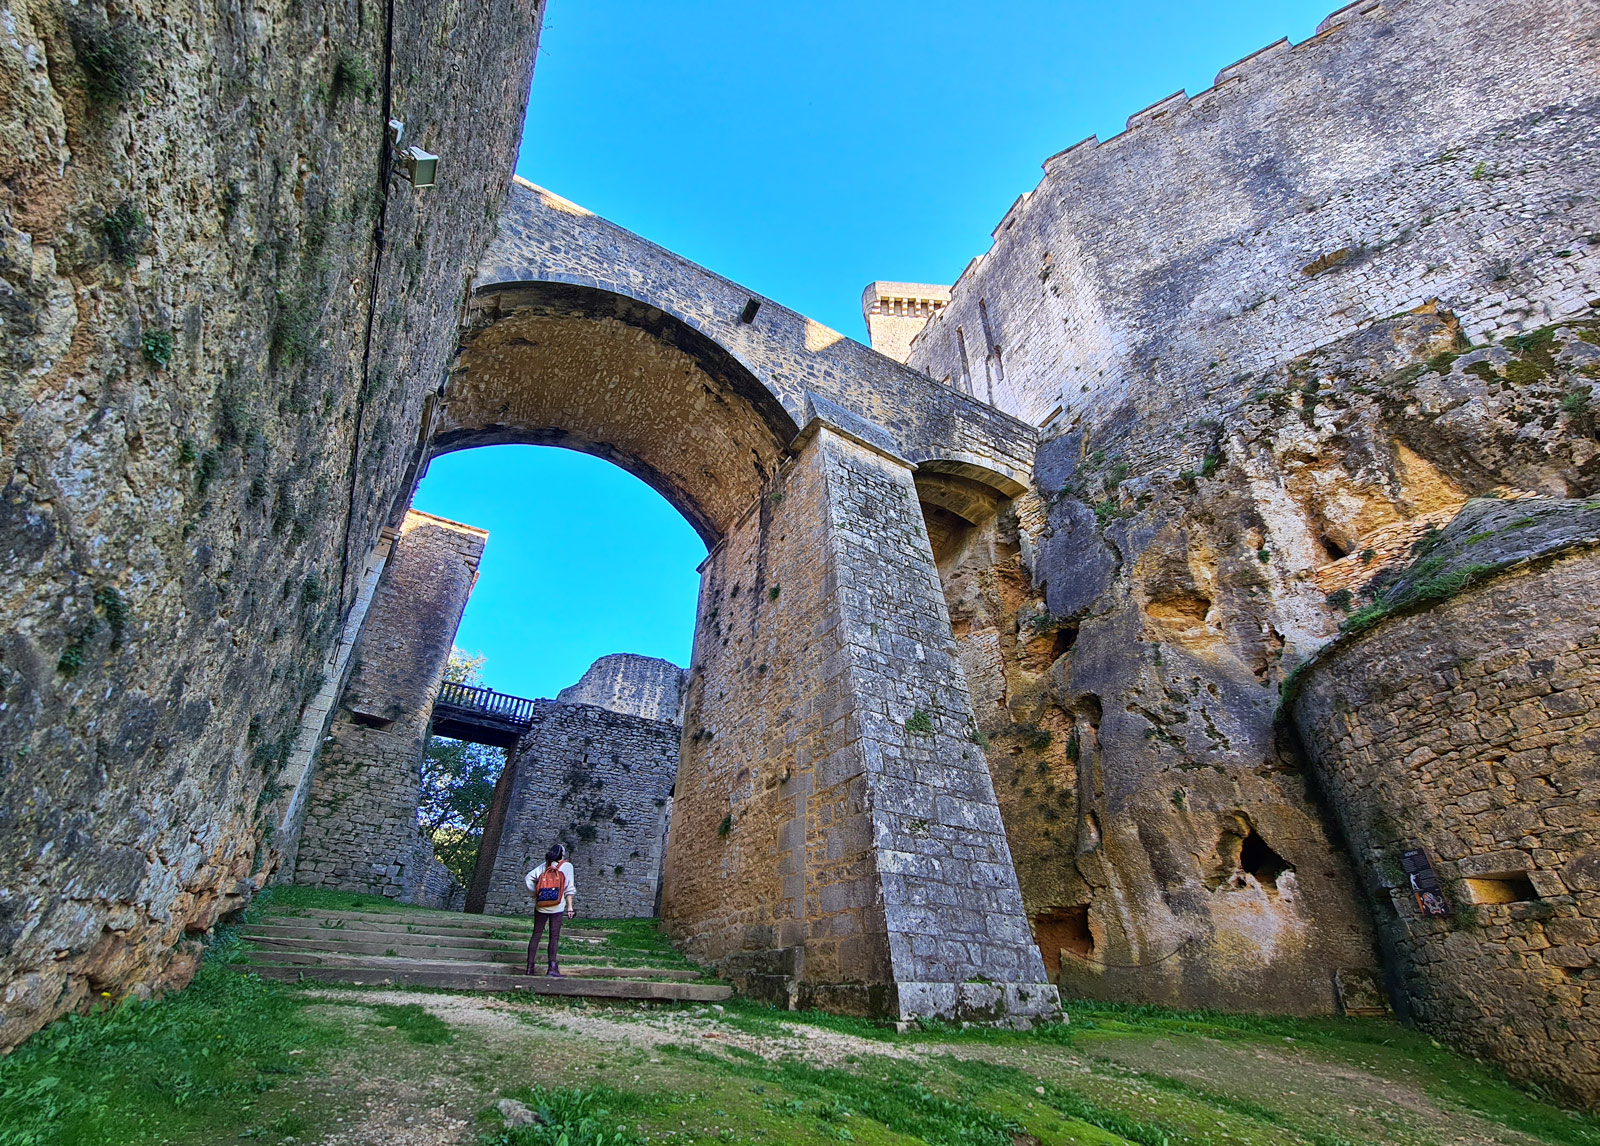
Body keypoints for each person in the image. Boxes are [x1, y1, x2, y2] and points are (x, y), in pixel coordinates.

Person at [523, 844, 576, 976]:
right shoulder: (567, 866)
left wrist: (536, 893)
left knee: (536, 935)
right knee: (554, 937)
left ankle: (530, 968)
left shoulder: (544, 865)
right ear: (562, 854)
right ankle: (552, 968)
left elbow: (528, 878)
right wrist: (570, 907)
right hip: (557, 907)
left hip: (541, 906)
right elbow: (569, 888)